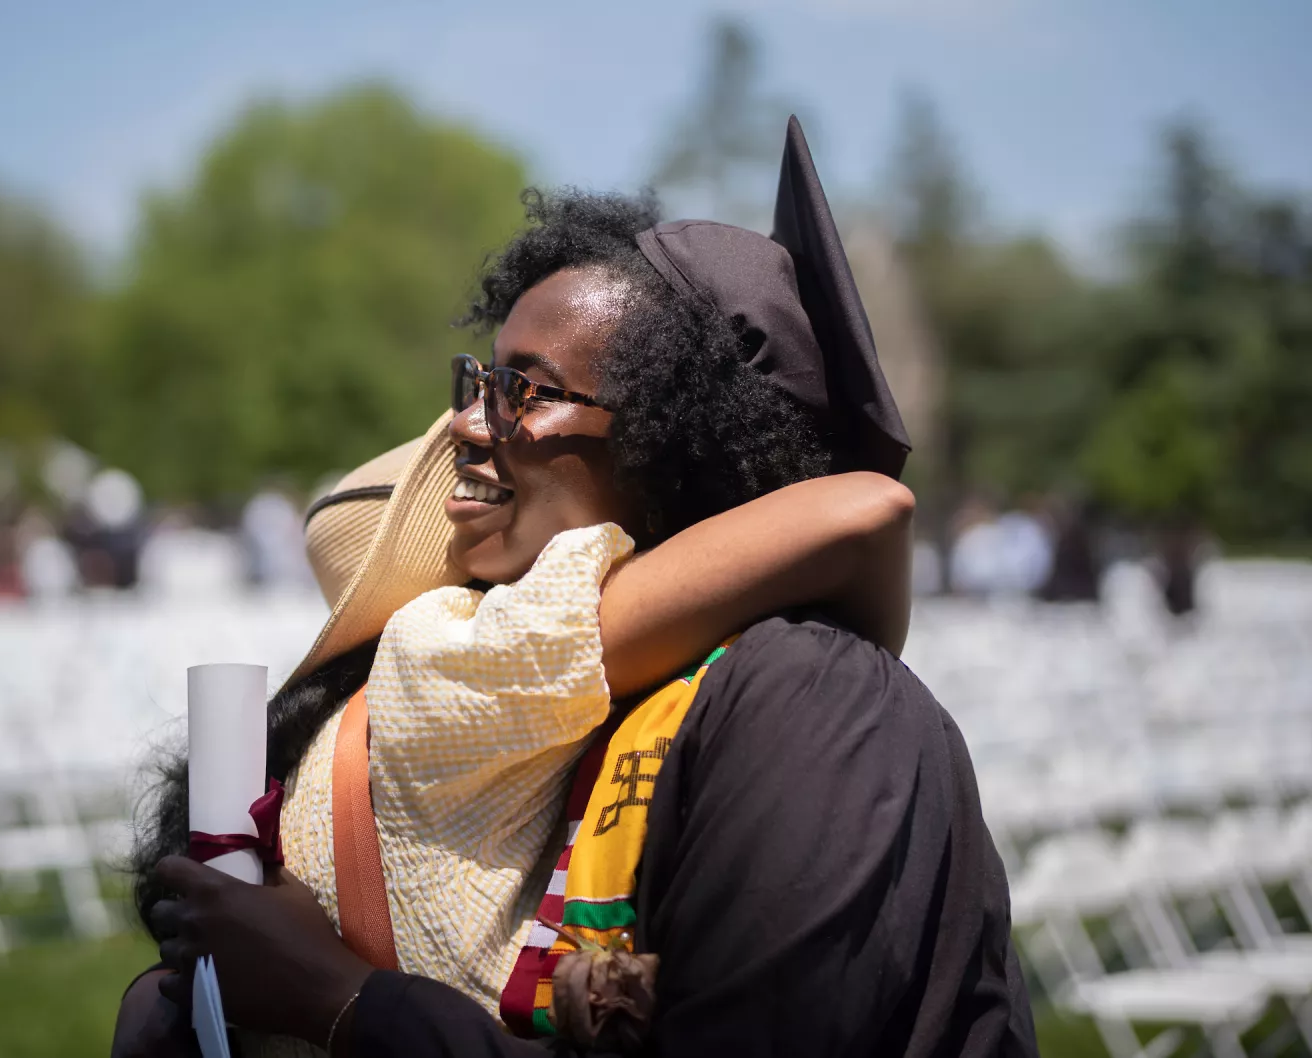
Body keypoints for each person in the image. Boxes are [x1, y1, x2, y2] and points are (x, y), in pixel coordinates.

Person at [119, 118, 1034, 1058]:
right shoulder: (546, 702)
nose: (466, 427)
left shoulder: (813, 701)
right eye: (481, 380)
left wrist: (344, 1003)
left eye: (528, 390)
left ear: (678, 445)